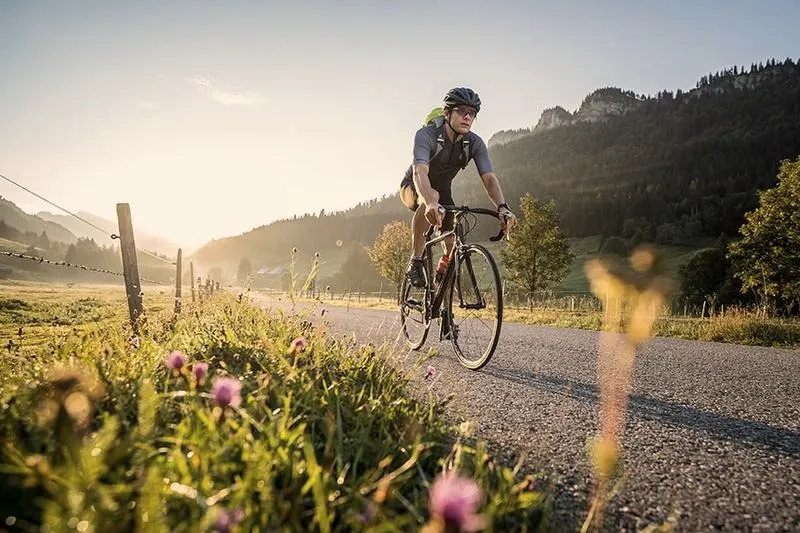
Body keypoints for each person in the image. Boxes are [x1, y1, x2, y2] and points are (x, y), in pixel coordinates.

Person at [400, 87, 517, 288]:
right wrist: (429, 201)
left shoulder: (474, 143)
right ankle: (416, 261)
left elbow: (489, 178)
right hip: (414, 186)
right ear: (447, 113)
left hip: (443, 191)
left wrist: (502, 207)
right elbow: (419, 172)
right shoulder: (426, 135)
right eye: (462, 111)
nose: (468, 117)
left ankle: (440, 287)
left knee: (452, 243)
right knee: (432, 196)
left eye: (472, 113)